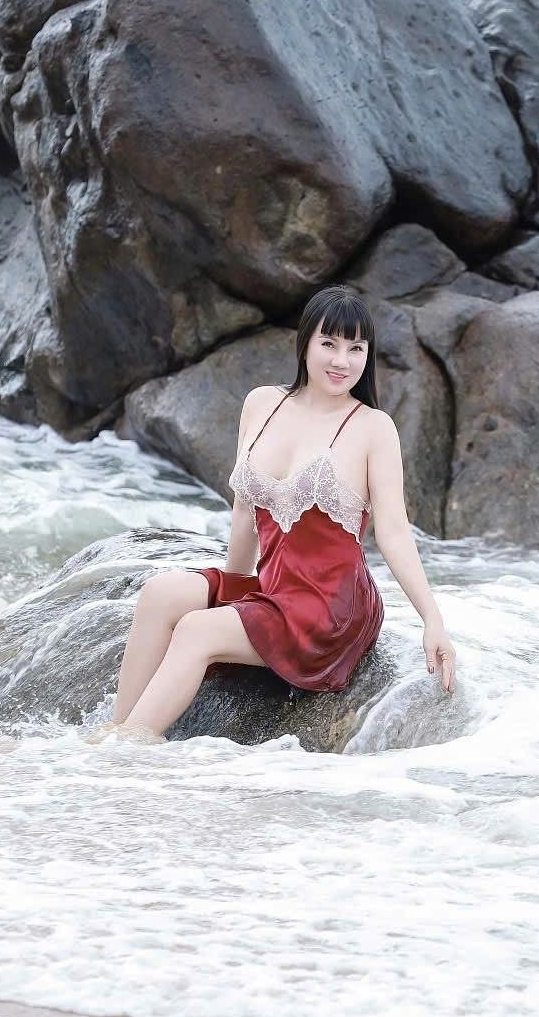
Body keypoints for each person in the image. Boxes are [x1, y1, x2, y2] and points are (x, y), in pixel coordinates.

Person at [109, 284, 457, 742]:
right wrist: (233, 590)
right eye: (329, 343)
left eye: (356, 349)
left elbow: (393, 533)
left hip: (329, 608)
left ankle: (128, 749)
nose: (342, 361)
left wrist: (432, 619)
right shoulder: (262, 403)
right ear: (305, 342)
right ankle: (113, 731)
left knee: (197, 631)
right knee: (160, 594)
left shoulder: (373, 428)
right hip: (274, 587)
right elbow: (244, 509)